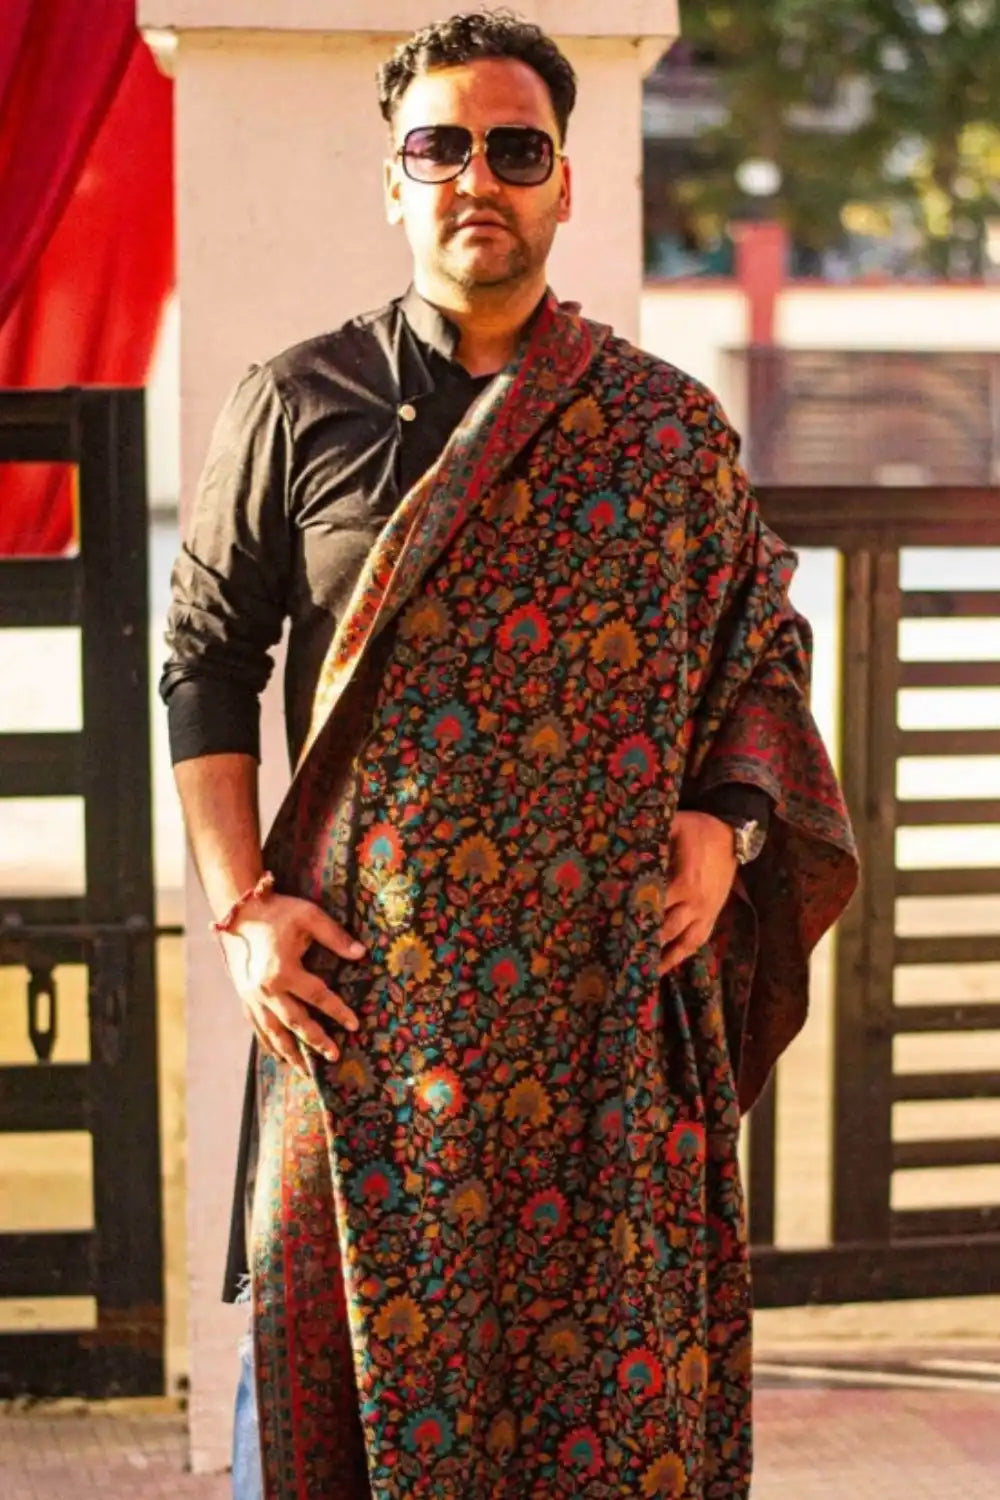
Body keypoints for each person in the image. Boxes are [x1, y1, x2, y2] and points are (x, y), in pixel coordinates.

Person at [161, 12, 858, 1499]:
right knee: (332, 1413)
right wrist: (240, 911)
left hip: (604, 1033)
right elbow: (205, 666)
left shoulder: (664, 433)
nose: (477, 176)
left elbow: (762, 654)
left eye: (515, 149)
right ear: (395, 177)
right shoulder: (298, 404)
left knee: (605, 1419)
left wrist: (725, 825)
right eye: (441, 146)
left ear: (560, 180)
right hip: (366, 1024)